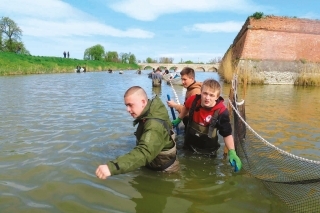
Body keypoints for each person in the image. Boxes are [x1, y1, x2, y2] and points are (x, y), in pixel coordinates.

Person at [96, 86, 179, 179]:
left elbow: (144, 152)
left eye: (130, 105)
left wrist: (112, 167)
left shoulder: (154, 126)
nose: (127, 109)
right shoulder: (152, 109)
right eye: (126, 105)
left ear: (143, 102)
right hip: (155, 165)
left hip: (164, 173)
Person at [171, 79, 242, 172]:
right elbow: (186, 108)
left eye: (212, 95)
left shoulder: (222, 112)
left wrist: (232, 151)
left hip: (208, 150)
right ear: (201, 92)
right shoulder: (193, 100)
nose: (207, 98)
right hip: (189, 144)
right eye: (205, 93)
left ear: (217, 97)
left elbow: (227, 134)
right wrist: (179, 119)